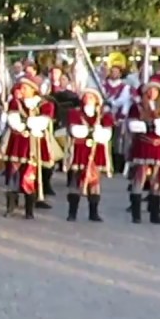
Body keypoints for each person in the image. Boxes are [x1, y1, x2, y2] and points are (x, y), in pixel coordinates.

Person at [0, 75, 56, 219]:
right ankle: (10, 207)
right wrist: (27, 124)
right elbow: (14, 122)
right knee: (14, 175)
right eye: (21, 87)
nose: (21, 90)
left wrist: (28, 123)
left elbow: (42, 123)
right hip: (17, 144)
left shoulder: (45, 104)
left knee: (30, 176)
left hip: (34, 144)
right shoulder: (15, 103)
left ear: (32, 89)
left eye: (24, 88)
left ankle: (29, 210)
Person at [126, 75, 160, 225]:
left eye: (156, 90)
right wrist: (148, 126)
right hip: (143, 144)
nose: (152, 93)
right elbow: (133, 125)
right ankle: (136, 214)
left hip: (159, 145)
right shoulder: (138, 107)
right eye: (150, 90)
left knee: (157, 180)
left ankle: (154, 214)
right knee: (139, 177)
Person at [65, 89, 113, 223]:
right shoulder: (75, 113)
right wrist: (90, 132)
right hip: (79, 150)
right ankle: (72, 212)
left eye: (91, 97)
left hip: (96, 151)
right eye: (86, 96)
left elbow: (107, 134)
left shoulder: (103, 115)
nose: (88, 99)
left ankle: (94, 212)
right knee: (75, 179)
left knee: (94, 181)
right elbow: (75, 130)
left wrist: (98, 133)